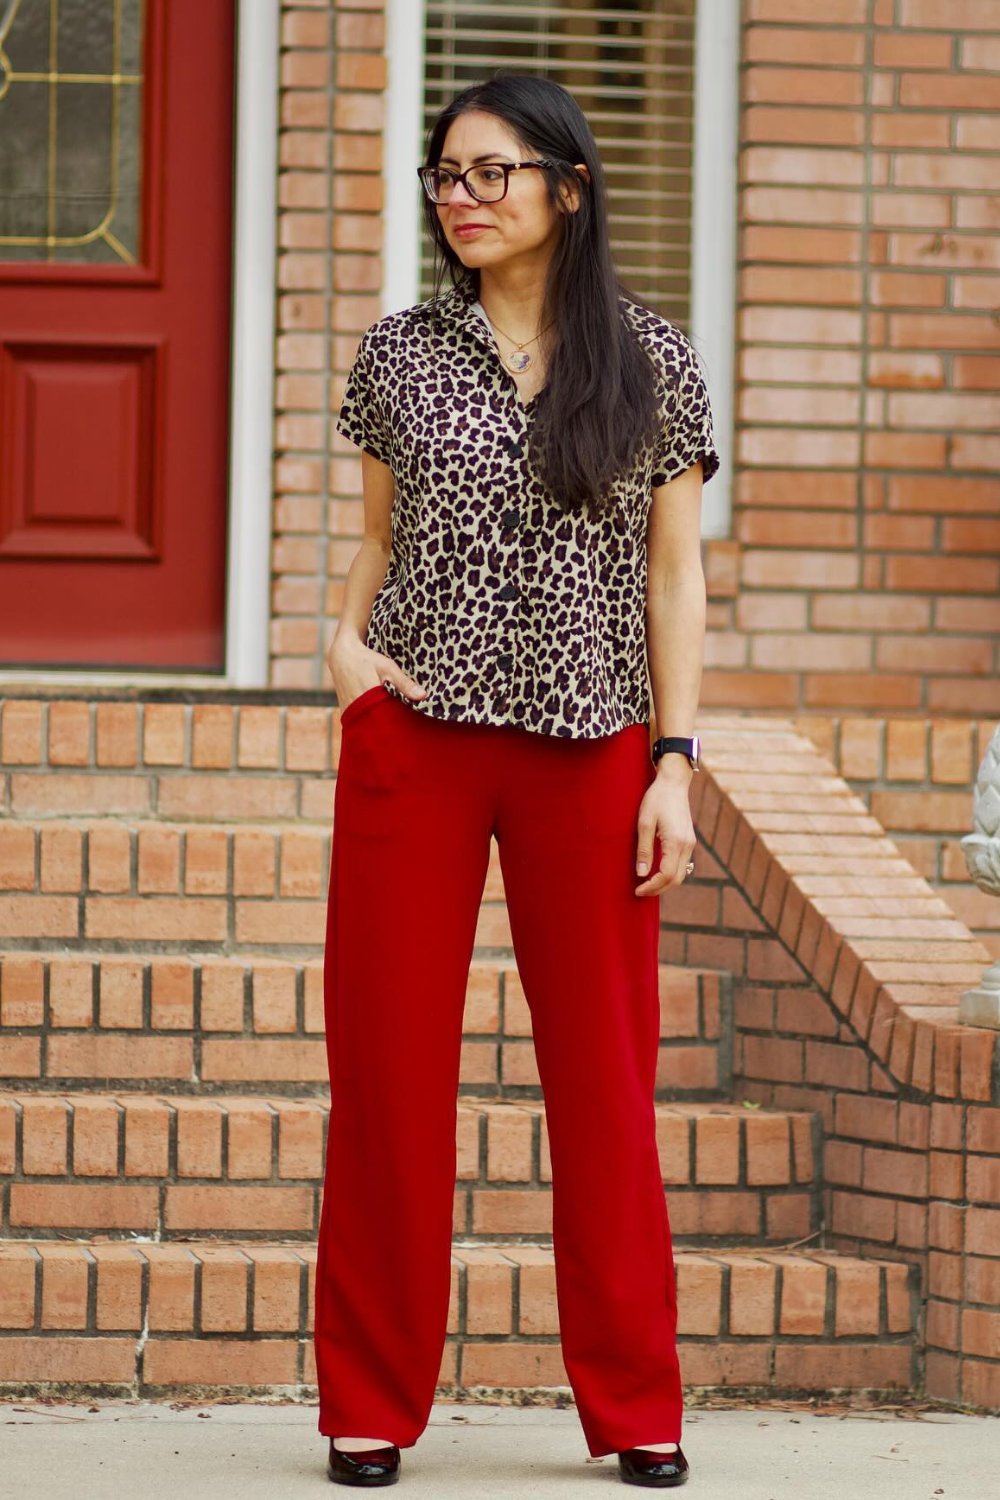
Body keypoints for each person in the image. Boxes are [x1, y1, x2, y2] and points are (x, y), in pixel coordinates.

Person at [316, 71, 719, 1490]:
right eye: (445, 177)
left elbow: (676, 576)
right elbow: (370, 546)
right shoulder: (399, 356)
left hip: (594, 746)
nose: (462, 199)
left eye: (491, 173)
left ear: (568, 185)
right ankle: (369, 1401)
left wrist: (675, 761)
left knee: (603, 1085)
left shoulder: (653, 359)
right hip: (414, 742)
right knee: (387, 1076)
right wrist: (344, 657)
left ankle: (635, 1403)